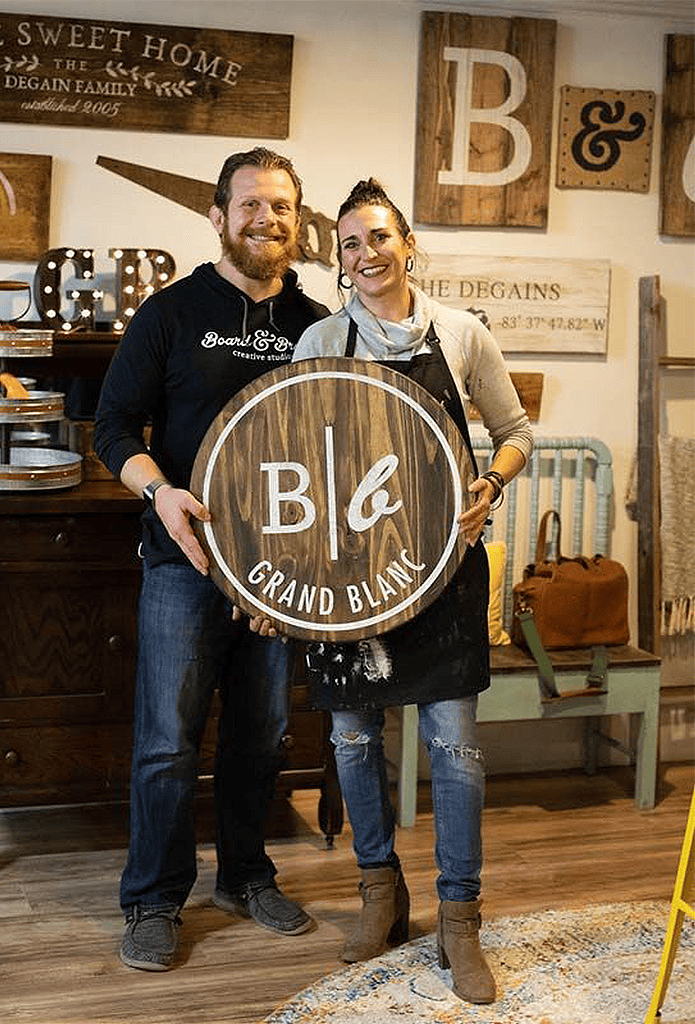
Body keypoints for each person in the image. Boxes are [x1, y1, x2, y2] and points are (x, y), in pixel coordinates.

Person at [291, 178, 533, 1005]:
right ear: (341, 260)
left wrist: (490, 488)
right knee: (355, 741)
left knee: (455, 753)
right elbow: (290, 458)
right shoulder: (320, 338)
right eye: (351, 244)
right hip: (348, 579)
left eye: (381, 237)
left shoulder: (462, 333)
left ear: (409, 244)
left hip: (440, 570)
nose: (367, 254)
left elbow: (514, 433)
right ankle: (379, 894)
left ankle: (459, 921)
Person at [93, 148, 329, 972]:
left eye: (283, 207)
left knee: (262, 736)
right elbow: (113, 424)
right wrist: (160, 492)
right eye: (252, 205)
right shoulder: (171, 312)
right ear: (218, 214)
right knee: (167, 742)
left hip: (281, 573)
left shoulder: (320, 326)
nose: (267, 220)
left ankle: (244, 877)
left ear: (298, 221)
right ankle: (153, 899)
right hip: (184, 562)